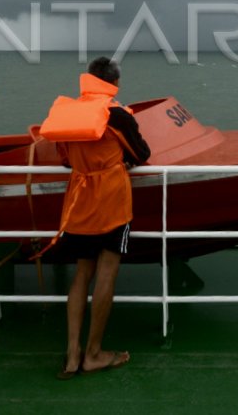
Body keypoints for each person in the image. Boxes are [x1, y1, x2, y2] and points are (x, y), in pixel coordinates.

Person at [38, 56, 150, 378]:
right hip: (112, 201)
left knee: (81, 274)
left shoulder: (69, 113)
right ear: (114, 84)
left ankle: (72, 354)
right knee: (107, 273)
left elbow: (64, 159)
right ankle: (95, 353)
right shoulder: (116, 114)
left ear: (87, 80)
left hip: (79, 201)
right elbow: (141, 153)